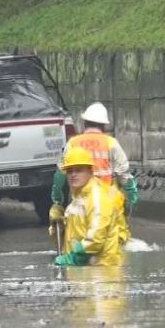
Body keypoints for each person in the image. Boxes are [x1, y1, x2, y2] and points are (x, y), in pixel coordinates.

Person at [50, 102, 138, 242]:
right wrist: (131, 195)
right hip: (106, 199)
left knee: (75, 236)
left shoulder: (73, 143)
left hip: (80, 199)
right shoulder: (111, 142)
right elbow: (124, 174)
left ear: (85, 123)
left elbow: (60, 173)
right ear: (103, 125)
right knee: (115, 236)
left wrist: (57, 199)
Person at [50, 147, 124, 267]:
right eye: (69, 171)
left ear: (90, 172)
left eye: (78, 170)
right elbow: (69, 240)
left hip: (102, 271)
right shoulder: (76, 201)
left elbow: (96, 238)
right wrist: (56, 225)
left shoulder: (97, 198)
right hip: (83, 271)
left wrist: (73, 259)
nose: (73, 175)